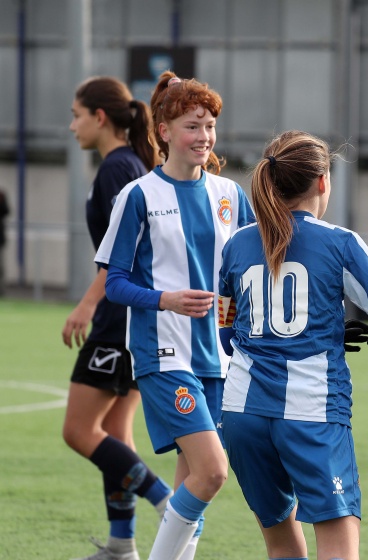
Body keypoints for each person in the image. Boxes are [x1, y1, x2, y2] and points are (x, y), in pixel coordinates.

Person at [217, 130, 368, 560]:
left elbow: (226, 333)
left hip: (240, 414)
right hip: (312, 411)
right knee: (339, 544)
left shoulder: (235, 244)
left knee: (282, 545)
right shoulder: (340, 242)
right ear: (323, 182)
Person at [95, 71, 255, 560]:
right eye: (192, 126)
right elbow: (114, 282)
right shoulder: (139, 195)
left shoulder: (230, 196)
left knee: (194, 483)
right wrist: (165, 299)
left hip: (219, 360)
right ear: (163, 130)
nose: (203, 136)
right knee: (213, 471)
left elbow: (249, 275)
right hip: (162, 355)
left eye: (209, 125)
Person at [61, 76, 173, 560]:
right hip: (134, 318)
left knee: (80, 431)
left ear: (99, 117)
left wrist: (88, 304)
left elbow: (118, 255)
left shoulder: (116, 170)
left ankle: (170, 503)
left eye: (76, 114)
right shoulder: (128, 166)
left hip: (116, 320)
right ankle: (122, 545)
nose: (71, 126)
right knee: (118, 436)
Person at [0, 187, 9, 296]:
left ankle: (1, 291)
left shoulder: (2, 195)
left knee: (1, 267)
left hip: (0, 239)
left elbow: (6, 211)